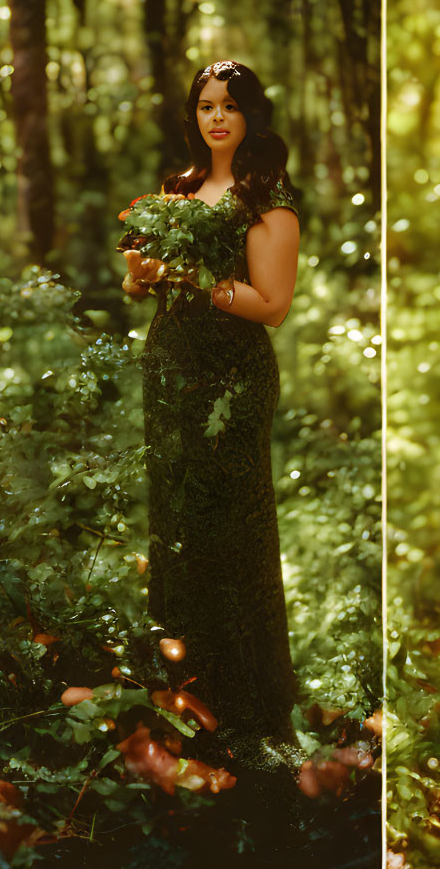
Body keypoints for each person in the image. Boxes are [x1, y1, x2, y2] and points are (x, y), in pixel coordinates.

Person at [119, 60, 302, 781]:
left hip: (234, 376)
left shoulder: (267, 198)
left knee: (234, 527)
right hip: (170, 370)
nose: (217, 117)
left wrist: (198, 280)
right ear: (192, 116)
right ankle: (182, 694)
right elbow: (143, 283)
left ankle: (248, 706)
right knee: (178, 525)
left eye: (229, 105)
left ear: (251, 114)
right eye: (205, 106)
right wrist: (141, 274)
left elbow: (271, 303)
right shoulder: (176, 190)